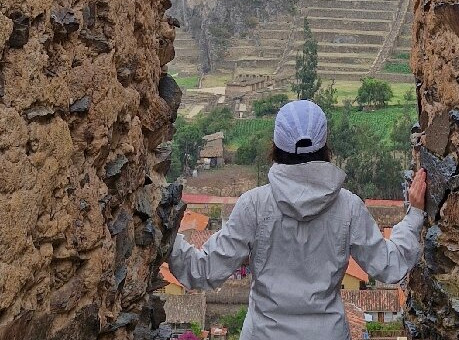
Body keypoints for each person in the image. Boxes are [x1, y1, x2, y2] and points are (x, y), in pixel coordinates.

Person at [169, 99, 428, 340]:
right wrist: (415, 214)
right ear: (325, 147)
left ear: (276, 147)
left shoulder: (255, 205)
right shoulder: (348, 207)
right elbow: (391, 266)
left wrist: (164, 231)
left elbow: (201, 272)